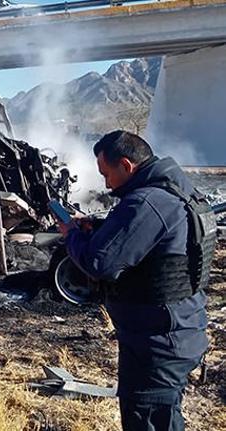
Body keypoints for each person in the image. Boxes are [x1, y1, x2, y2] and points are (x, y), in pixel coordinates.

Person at [60, 130, 214, 431]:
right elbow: (154, 244)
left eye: (107, 174)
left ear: (127, 166)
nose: (106, 183)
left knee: (149, 420)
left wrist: (73, 236)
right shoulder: (177, 192)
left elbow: (99, 263)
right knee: (162, 416)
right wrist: (104, 229)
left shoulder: (147, 202)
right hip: (175, 330)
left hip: (158, 341)